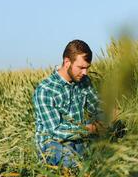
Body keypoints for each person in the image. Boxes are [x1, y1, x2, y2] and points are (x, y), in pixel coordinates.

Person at [33, 39, 101, 168]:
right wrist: (90, 129)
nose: (85, 73)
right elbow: (55, 130)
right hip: (53, 143)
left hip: (79, 138)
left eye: (87, 68)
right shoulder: (45, 89)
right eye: (81, 68)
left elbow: (96, 107)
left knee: (106, 156)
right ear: (67, 62)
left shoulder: (84, 81)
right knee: (77, 166)